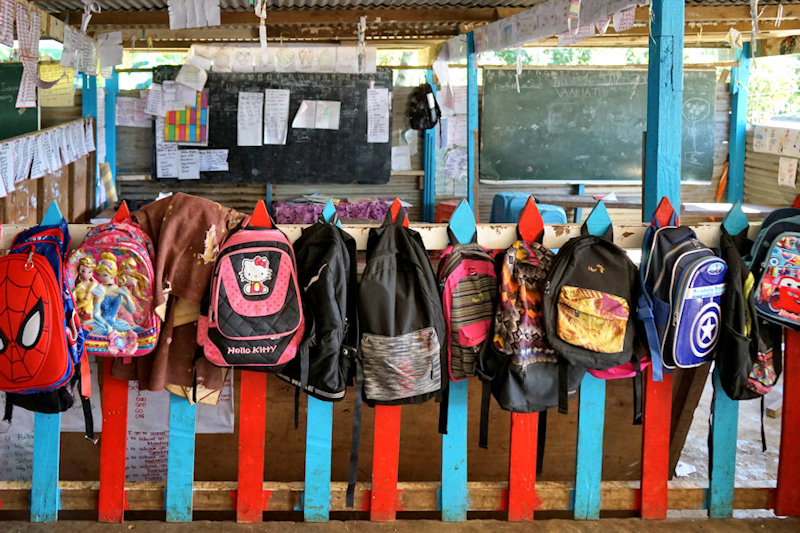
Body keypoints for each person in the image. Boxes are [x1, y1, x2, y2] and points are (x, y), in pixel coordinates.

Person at [90, 253, 141, 336]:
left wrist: (126, 296)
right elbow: (95, 314)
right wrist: (106, 325)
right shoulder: (99, 289)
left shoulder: (121, 289)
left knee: (137, 330)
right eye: (99, 275)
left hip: (115, 322)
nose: (101, 278)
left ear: (113, 274)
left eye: (105, 275)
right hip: (102, 324)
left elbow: (131, 310)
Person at [73, 254, 100, 324]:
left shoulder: (94, 284)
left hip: (95, 313)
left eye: (90, 272)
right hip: (83, 314)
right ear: (79, 271)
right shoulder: (79, 286)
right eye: (83, 271)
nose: (86, 274)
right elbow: (73, 300)